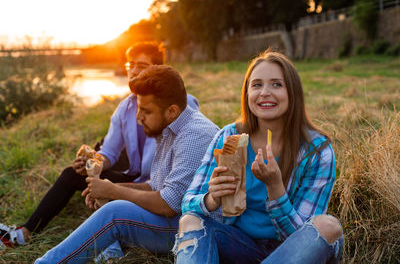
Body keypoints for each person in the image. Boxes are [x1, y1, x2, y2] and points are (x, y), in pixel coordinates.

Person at [0, 42, 199, 248]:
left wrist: (114, 189)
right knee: (72, 174)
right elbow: (109, 153)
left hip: (163, 186)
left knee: (114, 197)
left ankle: (114, 243)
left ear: (157, 70)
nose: (134, 71)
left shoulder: (179, 104)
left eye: (142, 65)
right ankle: (25, 233)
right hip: (136, 176)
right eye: (131, 64)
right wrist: (92, 163)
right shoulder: (125, 107)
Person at [34, 65, 219, 263]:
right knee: (116, 205)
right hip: (181, 220)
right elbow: (155, 186)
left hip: (199, 230)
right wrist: (109, 189)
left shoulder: (193, 136)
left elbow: (169, 204)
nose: (139, 118)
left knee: (115, 213)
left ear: (172, 111)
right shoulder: (171, 128)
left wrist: (114, 192)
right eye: (139, 108)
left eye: (146, 111)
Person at [173, 50, 344, 263]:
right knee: (190, 221)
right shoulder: (229, 136)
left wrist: (275, 188)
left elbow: (302, 235)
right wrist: (211, 198)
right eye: (256, 85)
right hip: (239, 244)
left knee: (328, 227)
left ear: (293, 93)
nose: (264, 92)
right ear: (247, 94)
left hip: (291, 251)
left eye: (276, 84)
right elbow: (188, 203)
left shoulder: (316, 151)